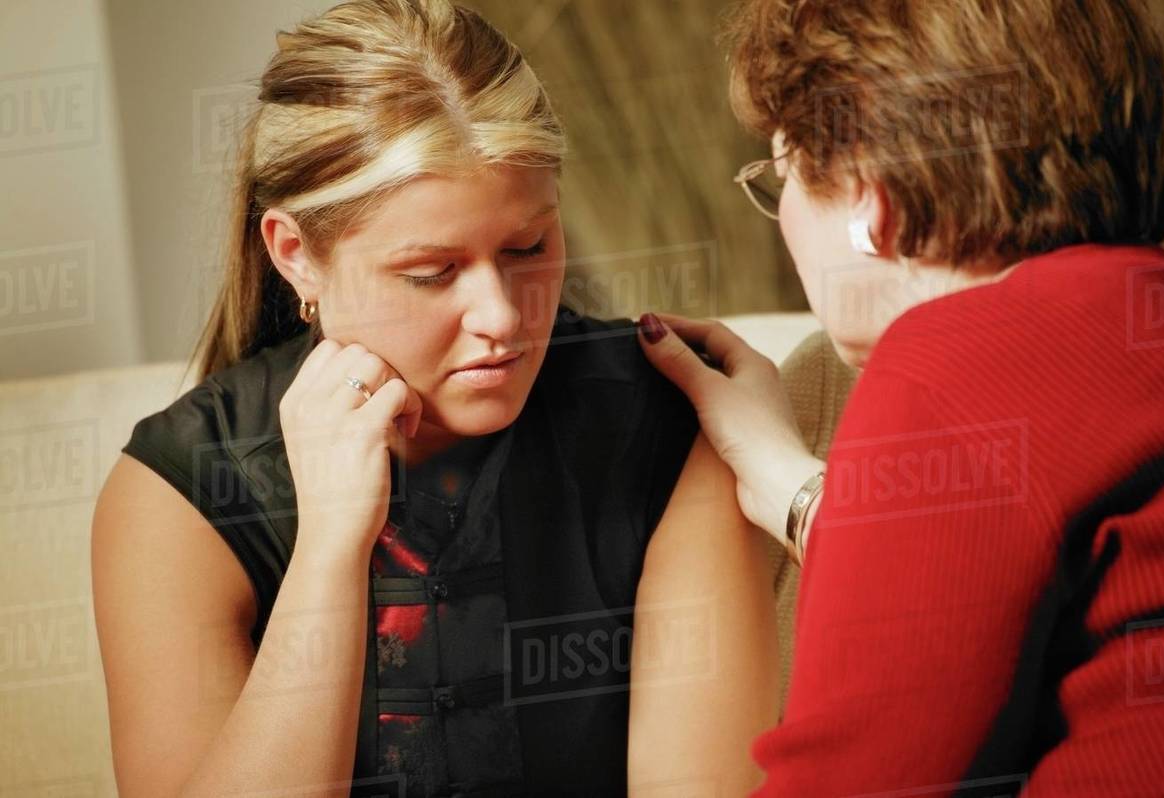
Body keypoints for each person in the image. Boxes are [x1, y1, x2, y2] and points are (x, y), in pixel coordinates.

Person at [90, 2, 779, 796]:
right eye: (431, 272)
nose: (501, 317)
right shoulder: (178, 491)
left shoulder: (662, 424)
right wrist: (329, 549)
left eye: (529, 248)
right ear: (295, 256)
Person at [637, 0, 1164, 794]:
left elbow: (857, 780)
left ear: (871, 199)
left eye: (784, 172)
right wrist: (798, 492)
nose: (782, 216)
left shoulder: (953, 366)